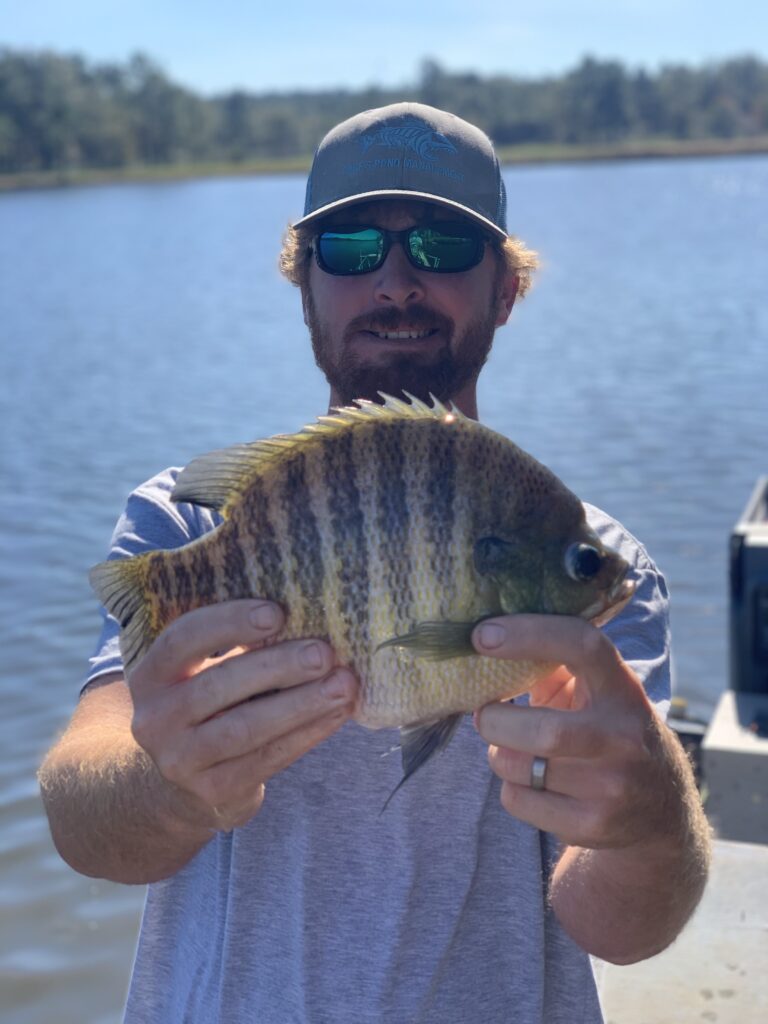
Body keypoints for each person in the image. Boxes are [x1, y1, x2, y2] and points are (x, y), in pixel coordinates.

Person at [39, 103, 710, 1023]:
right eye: (351, 247)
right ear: (304, 284)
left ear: (506, 290)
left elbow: (621, 927)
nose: (396, 279)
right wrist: (164, 784)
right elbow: (87, 827)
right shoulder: (189, 526)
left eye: (441, 245)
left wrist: (648, 824)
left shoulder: (596, 569)